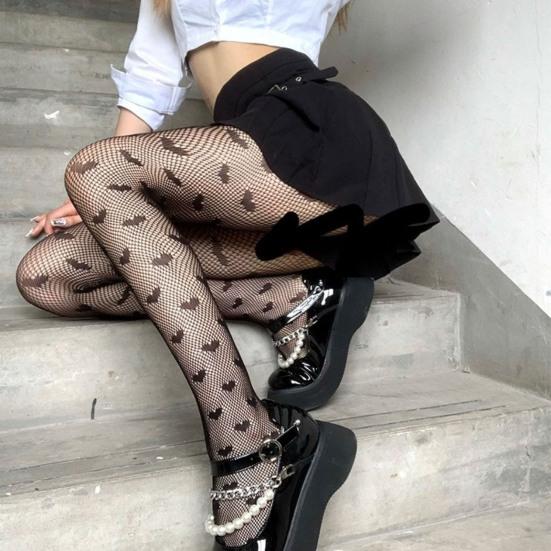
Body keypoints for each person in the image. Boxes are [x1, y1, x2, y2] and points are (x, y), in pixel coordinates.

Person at [15, 1, 439, 549]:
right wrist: (95, 199)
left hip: (307, 131)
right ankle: (287, 296)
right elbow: (151, 72)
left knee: (96, 166)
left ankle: (250, 443)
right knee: (46, 276)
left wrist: (105, 175)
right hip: (235, 163)